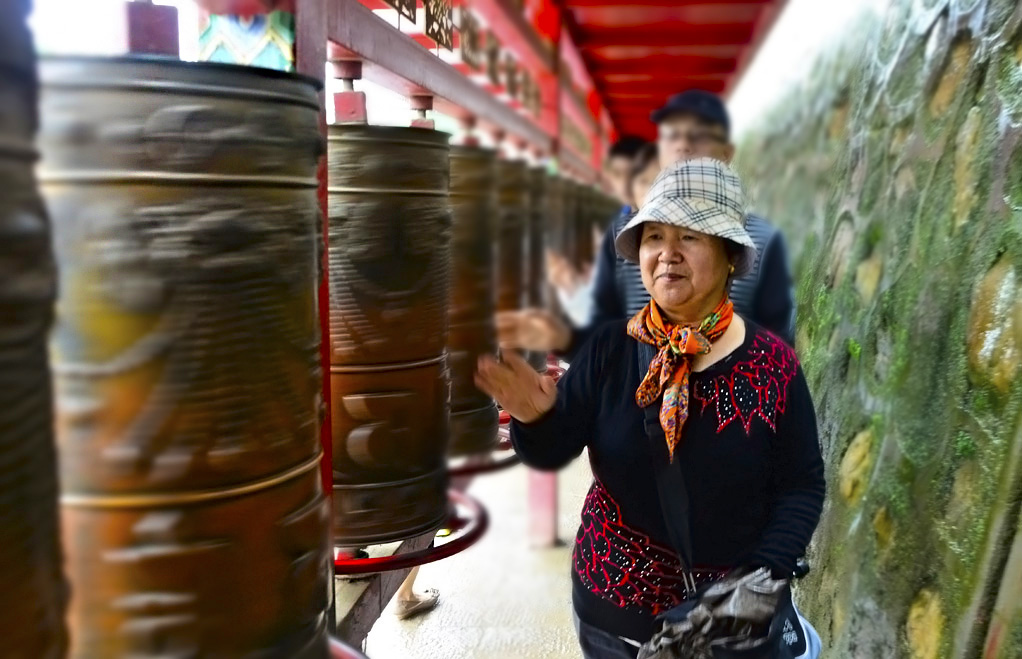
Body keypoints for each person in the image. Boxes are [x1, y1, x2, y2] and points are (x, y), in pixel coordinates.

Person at [476, 159, 825, 659]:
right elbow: (552, 450)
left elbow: (802, 483)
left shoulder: (773, 367)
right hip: (612, 611)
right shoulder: (610, 350)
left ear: (730, 255)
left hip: (727, 625)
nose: (667, 254)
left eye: (690, 237)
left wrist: (757, 580)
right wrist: (536, 418)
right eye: (654, 236)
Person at [497, 90, 795, 362]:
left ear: (726, 152)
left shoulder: (763, 241)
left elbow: (779, 351)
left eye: (698, 135)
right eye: (671, 135)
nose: (683, 146)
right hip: (636, 406)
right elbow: (603, 333)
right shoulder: (624, 230)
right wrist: (564, 336)